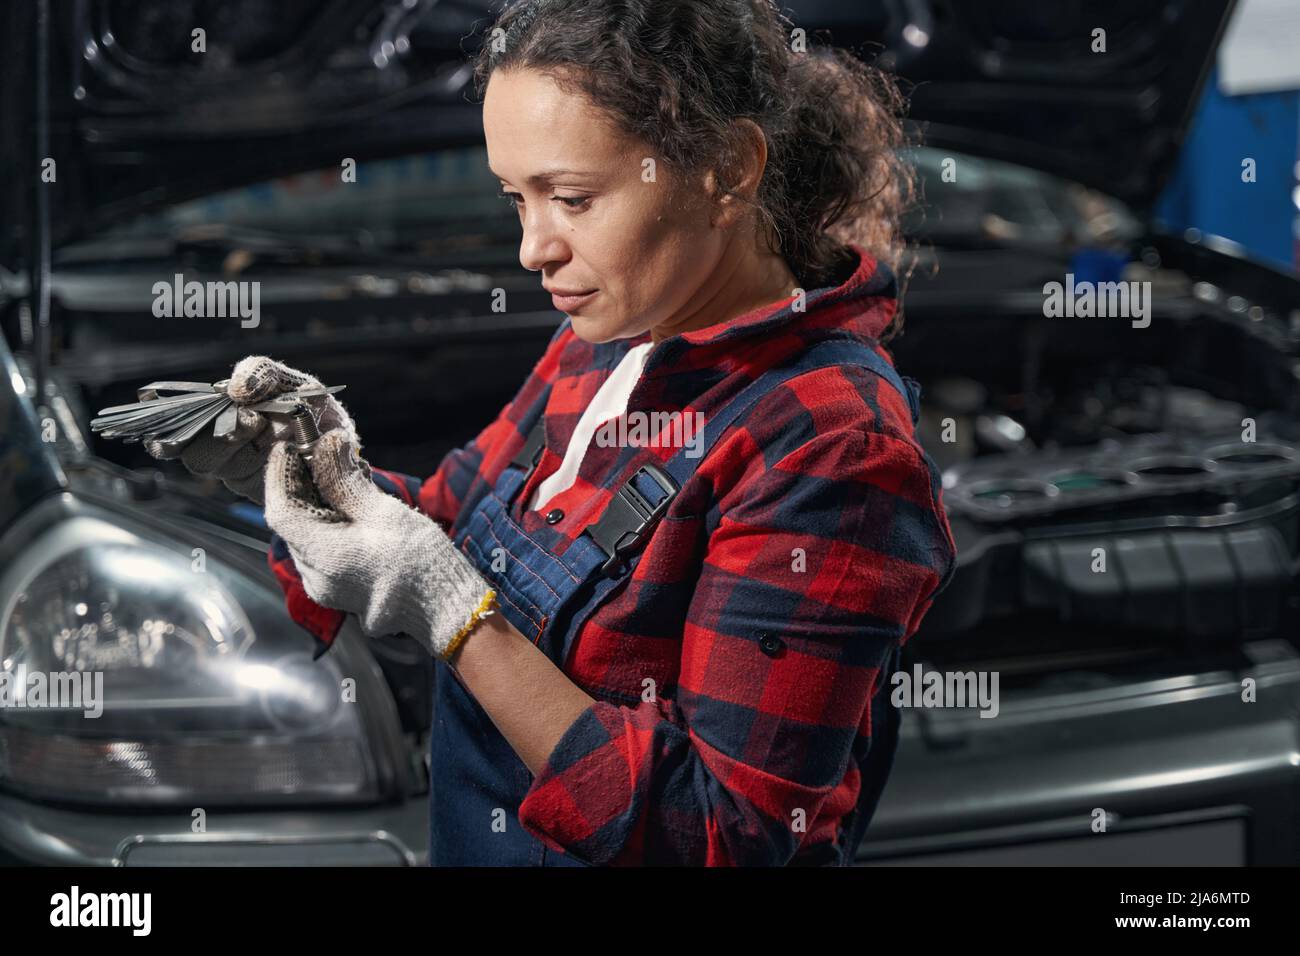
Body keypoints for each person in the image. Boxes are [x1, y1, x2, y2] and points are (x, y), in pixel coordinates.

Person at [146, 0, 956, 866]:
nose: (534, 248)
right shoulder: (605, 339)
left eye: (571, 198)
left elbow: (726, 837)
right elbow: (448, 518)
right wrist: (314, 471)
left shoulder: (831, 449)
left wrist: (459, 621)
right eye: (515, 199)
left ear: (728, 169)